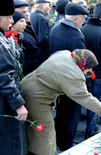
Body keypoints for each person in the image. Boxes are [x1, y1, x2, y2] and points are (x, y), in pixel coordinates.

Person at [20, 49, 101, 155]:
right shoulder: (74, 74)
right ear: (82, 65)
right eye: (89, 67)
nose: (91, 71)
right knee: (46, 131)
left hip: (27, 84)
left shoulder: (66, 54)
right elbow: (85, 97)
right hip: (36, 97)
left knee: (33, 128)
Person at [48, 2, 89, 151]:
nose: (84, 21)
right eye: (83, 18)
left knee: (61, 110)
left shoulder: (56, 28)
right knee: (71, 113)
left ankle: (59, 138)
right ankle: (67, 144)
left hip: (56, 78)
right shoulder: (76, 36)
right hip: (70, 81)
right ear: (75, 19)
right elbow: (81, 63)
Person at [81, 2, 101, 139]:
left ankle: (89, 128)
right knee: (95, 103)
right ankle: (90, 130)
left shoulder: (83, 28)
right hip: (98, 74)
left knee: (86, 101)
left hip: (83, 71)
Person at [0, 0, 28, 154]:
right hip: (5, 103)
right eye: (9, 18)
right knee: (10, 143)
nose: (12, 21)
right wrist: (18, 104)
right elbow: (5, 76)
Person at [14, 0, 43, 76]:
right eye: (23, 12)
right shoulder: (14, 34)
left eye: (27, 11)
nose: (27, 14)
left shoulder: (27, 26)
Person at [9, 10, 27, 77]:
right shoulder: (8, 39)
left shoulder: (20, 36)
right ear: (13, 23)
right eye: (21, 21)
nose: (25, 24)